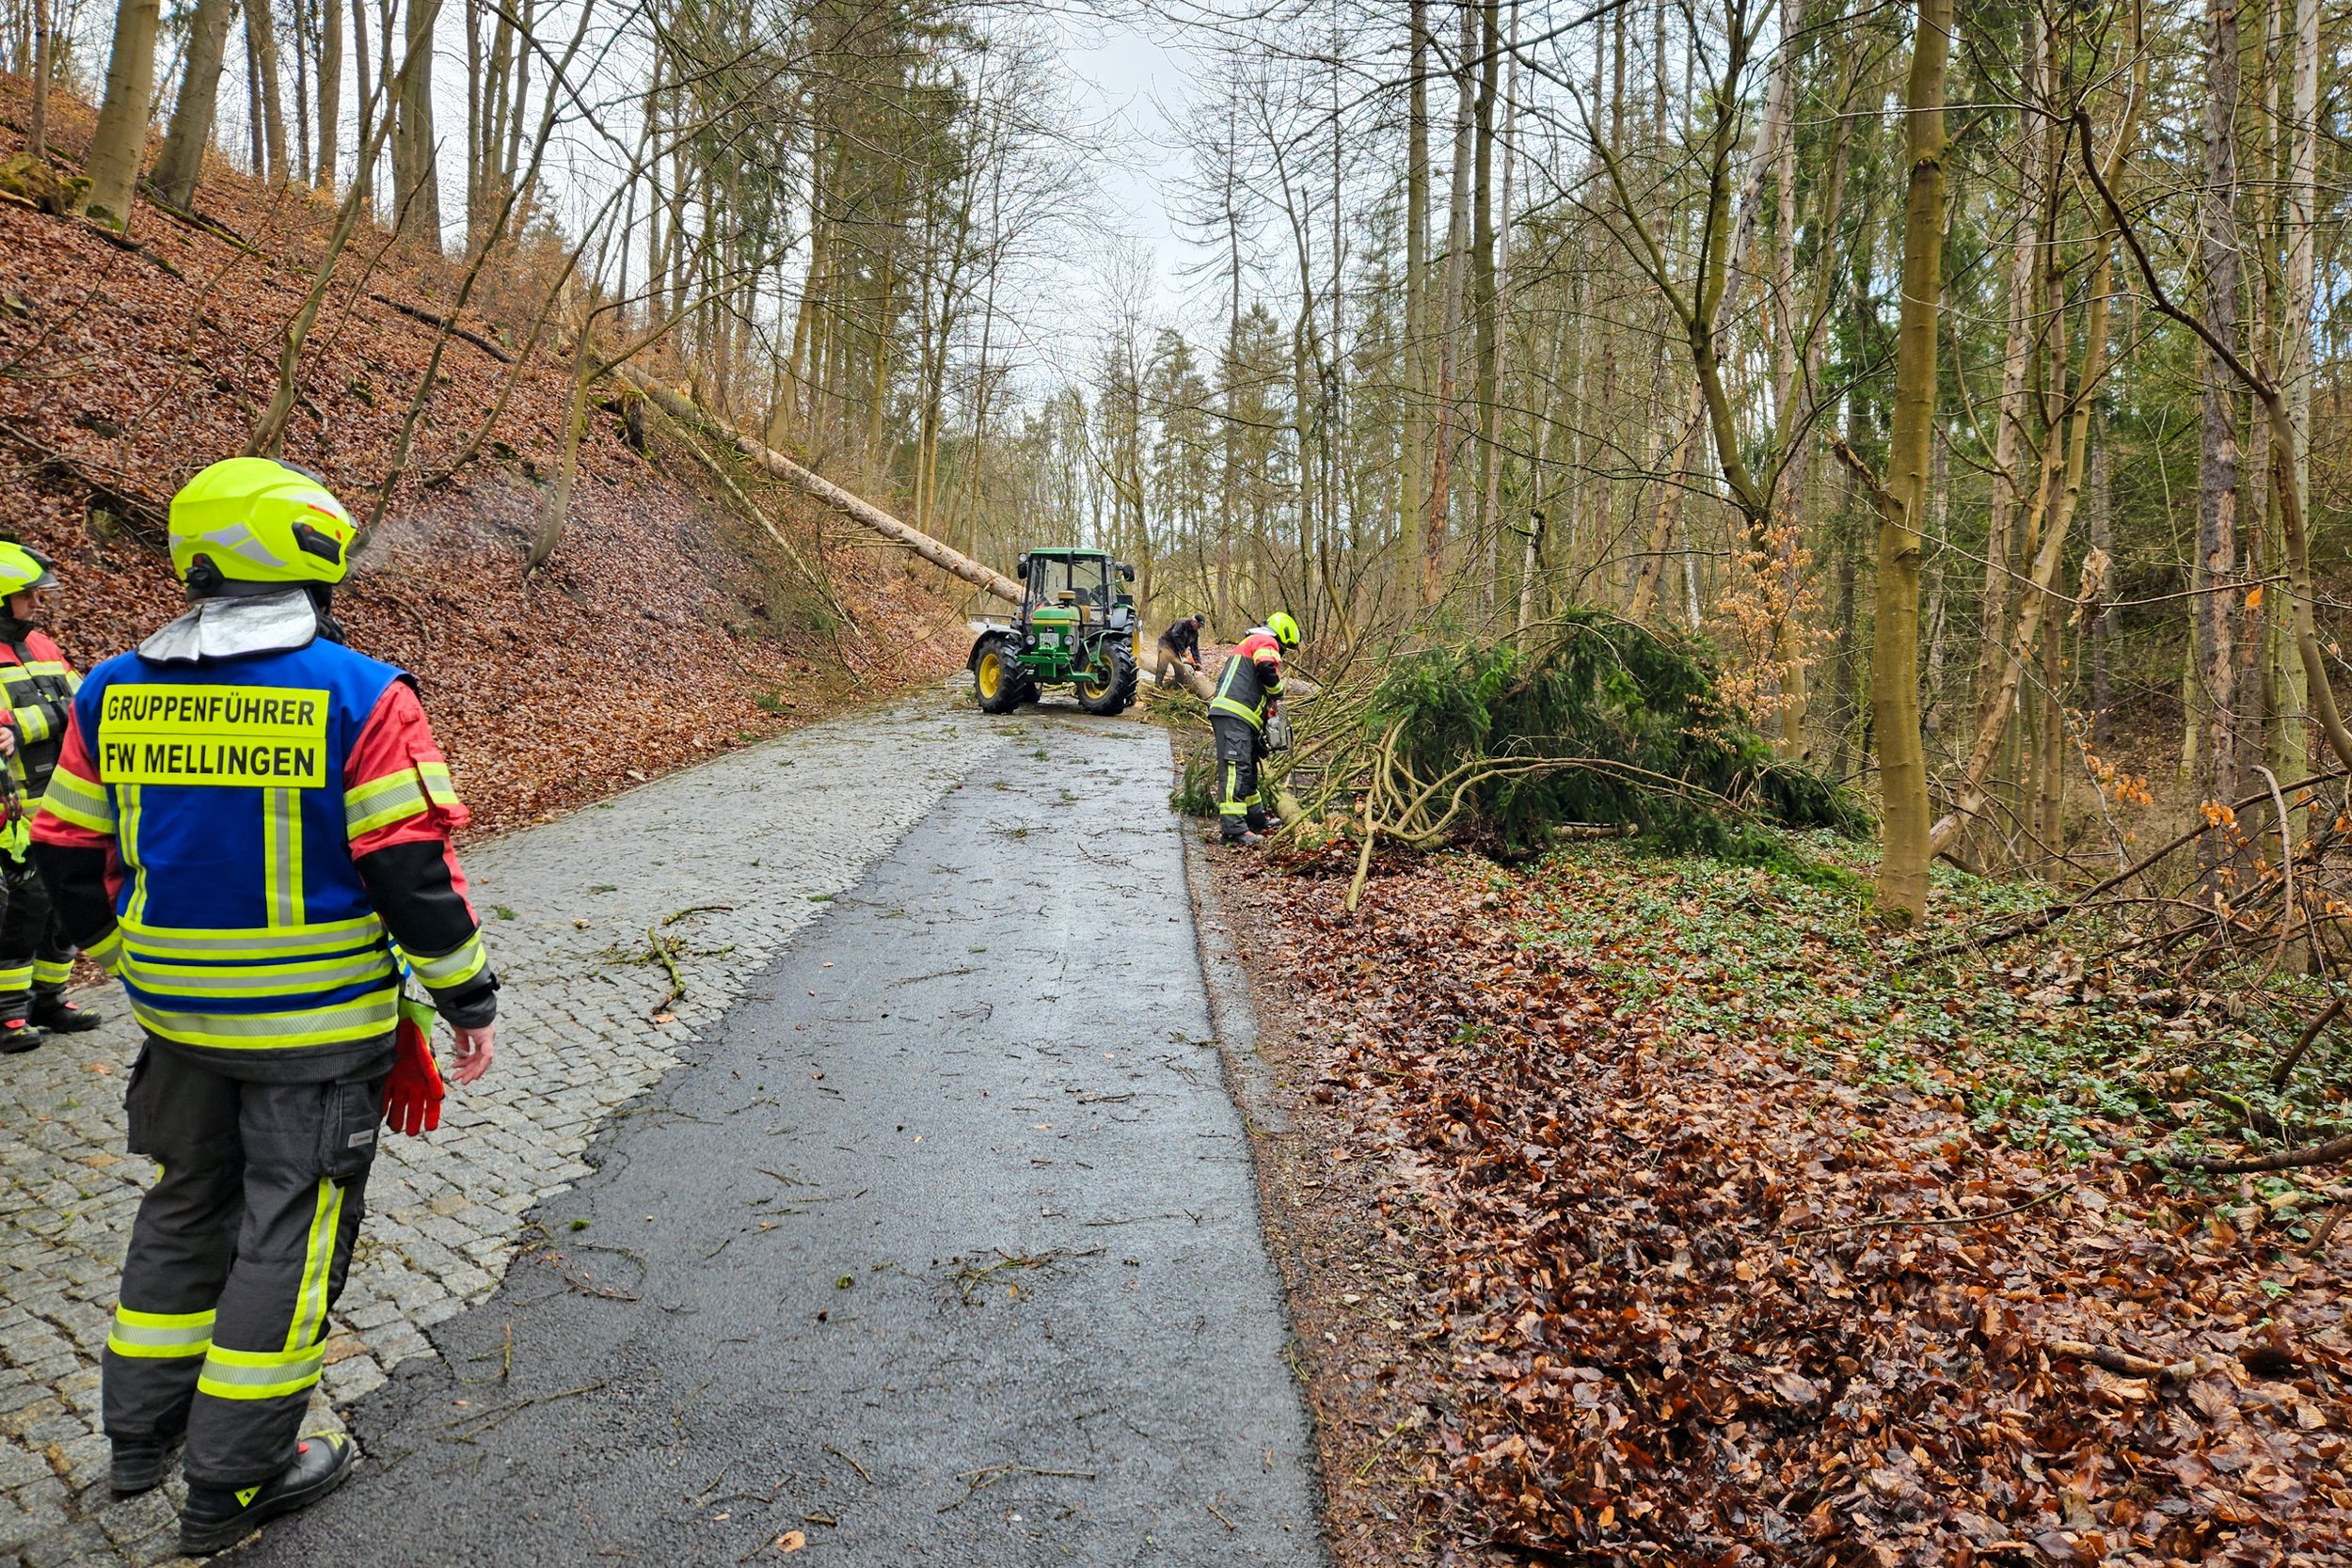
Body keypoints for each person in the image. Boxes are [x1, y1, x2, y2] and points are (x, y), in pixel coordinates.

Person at [27, 457, 501, 1556]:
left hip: (177, 1021)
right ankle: (238, 1479)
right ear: (315, 554)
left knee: (185, 1207)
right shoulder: (359, 692)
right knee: (284, 1236)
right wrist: (464, 993)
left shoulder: (109, 686)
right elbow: (411, 871)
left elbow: (62, 853)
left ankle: (140, 1442)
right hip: (313, 1031)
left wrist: (123, 952)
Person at [0, 542, 102, 1053]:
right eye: (27, 596)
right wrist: (45, 720)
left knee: (61, 906)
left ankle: (49, 999)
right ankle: (8, 1014)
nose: (36, 605)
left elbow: (84, 701)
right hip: (12, 810)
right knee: (22, 910)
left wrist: (22, 724)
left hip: (60, 799)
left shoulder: (42, 646)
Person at [1207, 610, 1300, 846]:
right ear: (1280, 636)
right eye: (1285, 647)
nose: (1282, 653)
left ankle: (1255, 819)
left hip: (1241, 717)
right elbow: (1267, 667)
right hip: (1233, 714)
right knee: (1235, 769)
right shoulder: (1264, 640)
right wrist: (1277, 694)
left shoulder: (1252, 642)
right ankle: (1234, 829)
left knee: (1248, 769)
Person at [1155, 611, 1206, 688]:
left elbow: (1194, 648)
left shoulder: (1195, 634)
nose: (1198, 628)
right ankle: (1157, 686)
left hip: (1176, 650)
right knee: (1162, 666)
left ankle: (1177, 687)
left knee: (1180, 669)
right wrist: (1182, 650)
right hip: (1165, 645)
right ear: (1194, 621)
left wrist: (1198, 661)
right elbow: (1175, 635)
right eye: (1198, 625)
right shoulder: (1182, 623)